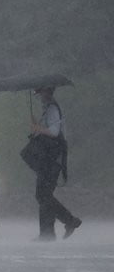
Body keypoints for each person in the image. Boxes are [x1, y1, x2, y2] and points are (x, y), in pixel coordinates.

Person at [30, 86, 81, 241]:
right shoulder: (48, 109)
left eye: (40, 93)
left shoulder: (52, 109)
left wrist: (39, 128)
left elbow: (54, 132)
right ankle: (49, 232)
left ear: (47, 92)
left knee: (43, 194)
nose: (39, 97)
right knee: (43, 195)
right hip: (47, 159)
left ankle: (62, 225)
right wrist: (36, 127)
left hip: (52, 160)